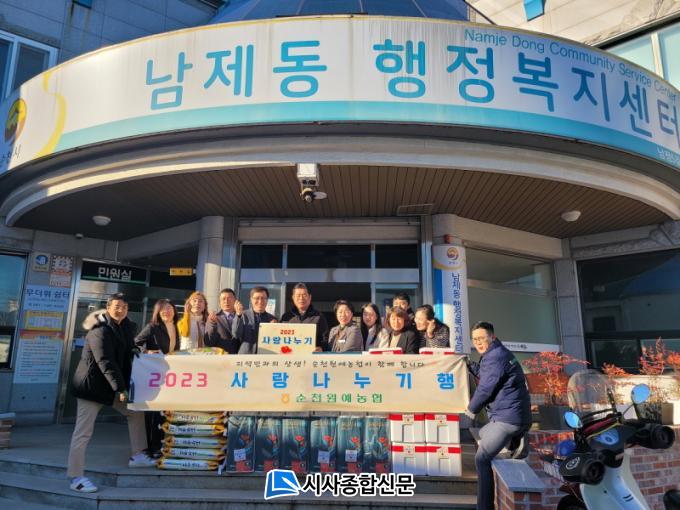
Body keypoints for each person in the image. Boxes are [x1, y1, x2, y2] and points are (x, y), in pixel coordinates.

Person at [67, 293, 155, 493]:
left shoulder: (125, 326)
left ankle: (138, 455)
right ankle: (75, 477)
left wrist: (138, 351)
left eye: (124, 306)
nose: (120, 310)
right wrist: (120, 388)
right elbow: (105, 361)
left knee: (135, 412)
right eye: (116, 306)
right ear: (108, 307)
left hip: (111, 385)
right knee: (83, 432)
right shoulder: (99, 329)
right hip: (91, 387)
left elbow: (127, 349)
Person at [465, 321, 532, 510]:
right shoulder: (497, 353)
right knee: (482, 433)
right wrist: (469, 365)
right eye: (475, 339)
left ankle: (484, 506)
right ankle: (512, 444)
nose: (478, 342)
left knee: (481, 459)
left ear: (492, 337)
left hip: (508, 420)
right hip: (510, 416)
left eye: (482, 338)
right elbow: (488, 375)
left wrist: (471, 410)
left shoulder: (495, 356)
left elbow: (486, 388)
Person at [134, 298, 179, 458]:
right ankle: (151, 448)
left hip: (169, 374)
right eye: (163, 309)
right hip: (153, 374)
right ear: (157, 313)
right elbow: (135, 343)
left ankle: (160, 446)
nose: (166, 311)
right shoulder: (152, 327)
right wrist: (147, 352)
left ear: (174, 310)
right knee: (152, 412)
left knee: (163, 412)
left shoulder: (176, 327)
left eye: (169, 308)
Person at [280, 283, 329, 352]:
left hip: (311, 356)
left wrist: (321, 348)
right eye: (298, 295)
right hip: (290, 355)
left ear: (310, 297)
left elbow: (325, 339)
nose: (301, 298)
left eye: (304, 295)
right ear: (293, 298)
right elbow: (280, 337)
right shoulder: (286, 317)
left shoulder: (319, 316)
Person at [236, 286, 278, 354]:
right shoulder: (243, 315)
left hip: (266, 356)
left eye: (263, 298)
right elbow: (236, 334)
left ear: (267, 300)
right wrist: (238, 316)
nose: (260, 301)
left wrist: (275, 329)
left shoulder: (273, 319)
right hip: (246, 356)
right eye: (257, 298)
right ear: (251, 299)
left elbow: (276, 340)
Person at [205, 288, 243, 354]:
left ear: (235, 300)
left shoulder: (243, 316)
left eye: (229, 298)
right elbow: (209, 342)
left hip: (240, 355)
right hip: (221, 356)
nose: (226, 301)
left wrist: (239, 315)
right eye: (223, 299)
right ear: (219, 302)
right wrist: (212, 324)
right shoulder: (214, 318)